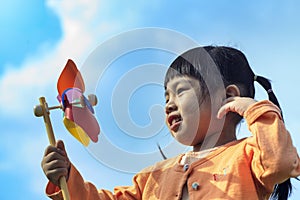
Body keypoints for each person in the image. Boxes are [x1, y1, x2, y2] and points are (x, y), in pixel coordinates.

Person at [41, 46, 300, 200]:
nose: (168, 104)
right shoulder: (152, 178)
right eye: (166, 96)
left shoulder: (249, 155)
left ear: (229, 97)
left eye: (180, 91)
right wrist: (66, 175)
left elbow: (281, 163)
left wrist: (257, 110)